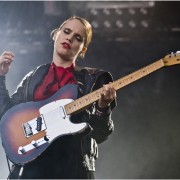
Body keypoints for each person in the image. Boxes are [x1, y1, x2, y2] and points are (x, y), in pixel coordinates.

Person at [0, 16, 116, 179]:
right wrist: (0, 76)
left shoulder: (93, 80)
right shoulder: (33, 78)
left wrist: (103, 108)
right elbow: (6, 115)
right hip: (31, 169)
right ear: (56, 35)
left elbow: (100, 134)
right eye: (66, 31)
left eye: (78, 38)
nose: (69, 37)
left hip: (72, 169)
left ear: (82, 49)